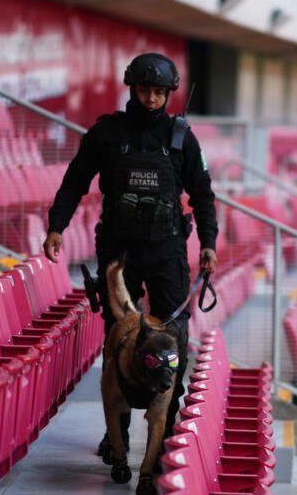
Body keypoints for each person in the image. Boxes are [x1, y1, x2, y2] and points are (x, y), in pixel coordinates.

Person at [43, 52, 218, 449]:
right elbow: (74, 182)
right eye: (145, 91)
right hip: (120, 255)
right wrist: (57, 225)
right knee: (118, 338)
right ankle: (116, 432)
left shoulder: (181, 138)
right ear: (132, 89)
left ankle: (166, 433)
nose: (152, 99)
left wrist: (208, 241)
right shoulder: (106, 133)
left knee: (174, 339)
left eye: (159, 92)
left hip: (167, 250)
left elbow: (203, 194)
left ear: (169, 94)